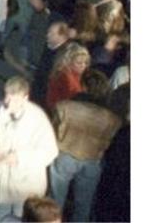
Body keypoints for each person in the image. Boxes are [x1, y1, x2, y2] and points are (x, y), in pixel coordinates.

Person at [49, 69, 122, 221]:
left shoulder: (65, 107)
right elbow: (109, 142)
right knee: (84, 205)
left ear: (83, 86)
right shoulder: (112, 118)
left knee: (55, 202)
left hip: (65, 155)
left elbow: (54, 130)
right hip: (92, 161)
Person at [0, 76, 59, 220]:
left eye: (13, 98)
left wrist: (20, 158)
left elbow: (50, 151)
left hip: (26, 184)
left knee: (23, 217)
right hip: (2, 179)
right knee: (0, 216)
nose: (7, 102)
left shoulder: (37, 118)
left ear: (25, 97)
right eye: (6, 96)